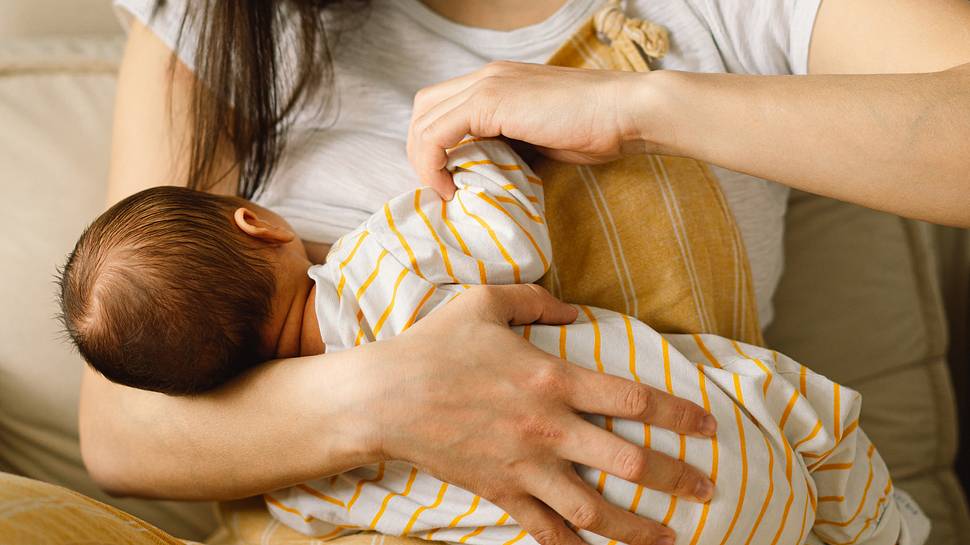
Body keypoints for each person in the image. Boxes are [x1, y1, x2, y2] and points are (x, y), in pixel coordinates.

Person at [89, 1, 970, 544]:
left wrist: (641, 105)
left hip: (684, 484)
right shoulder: (221, 19)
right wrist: (392, 402)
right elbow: (125, 425)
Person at [63, 138, 927, 544]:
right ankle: (888, 530)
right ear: (255, 222)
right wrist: (479, 151)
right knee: (799, 406)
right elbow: (512, 242)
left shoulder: (297, 484)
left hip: (628, 532)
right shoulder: (380, 260)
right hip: (732, 432)